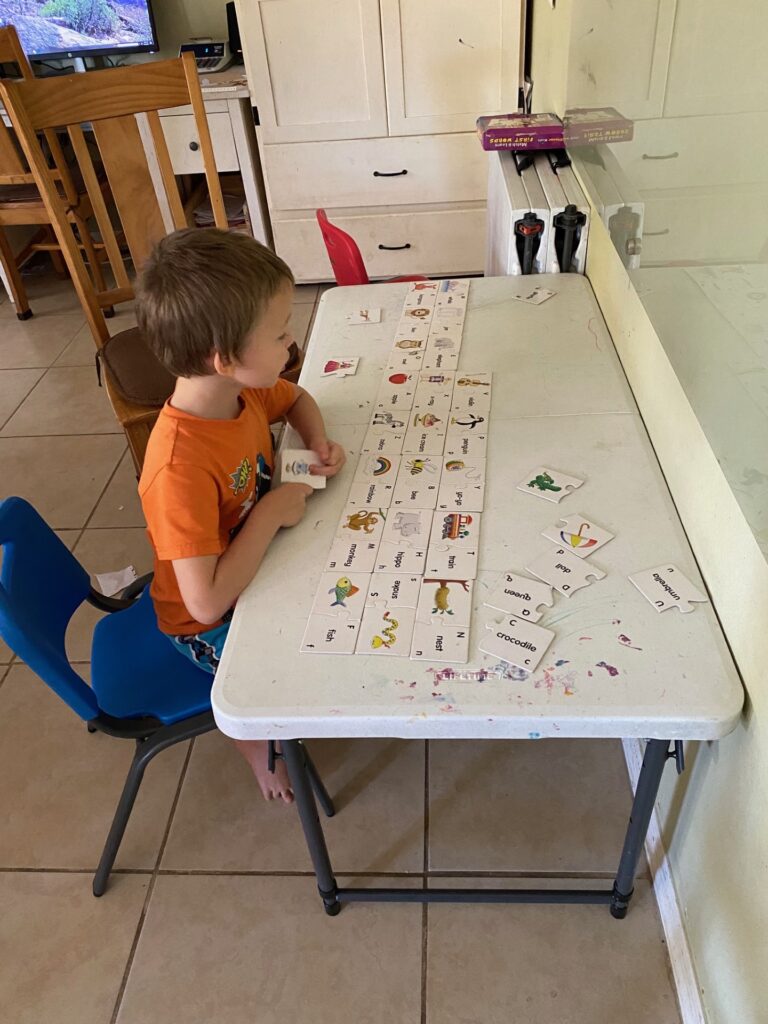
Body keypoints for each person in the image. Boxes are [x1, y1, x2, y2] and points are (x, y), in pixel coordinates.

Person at [136, 229, 345, 804]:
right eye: (279, 335)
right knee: (285, 672)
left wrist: (317, 439)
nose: (291, 343)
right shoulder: (177, 467)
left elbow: (296, 398)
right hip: (202, 626)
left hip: (251, 563)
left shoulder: (239, 392)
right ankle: (257, 751)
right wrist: (271, 513)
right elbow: (204, 603)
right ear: (225, 359)